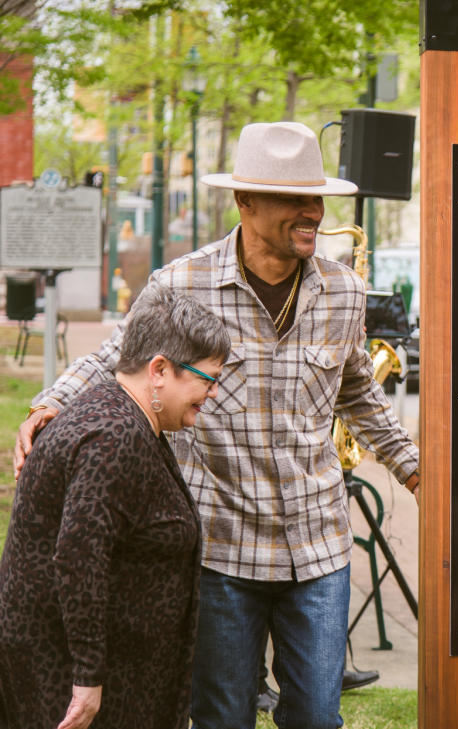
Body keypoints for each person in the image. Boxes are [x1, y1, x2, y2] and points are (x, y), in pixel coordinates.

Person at [13, 121, 420, 729]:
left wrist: (415, 471)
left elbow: (358, 390)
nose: (312, 212)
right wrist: (51, 402)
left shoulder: (343, 291)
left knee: (317, 717)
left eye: (317, 199)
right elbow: (116, 357)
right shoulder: (181, 284)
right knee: (223, 717)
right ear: (245, 201)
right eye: (294, 199)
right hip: (221, 552)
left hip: (321, 548)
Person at [0, 289, 229, 729]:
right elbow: (78, 557)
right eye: (207, 379)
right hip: (69, 681)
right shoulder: (113, 436)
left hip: (105, 675)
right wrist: (88, 677)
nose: (212, 393)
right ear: (159, 369)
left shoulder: (123, 414)